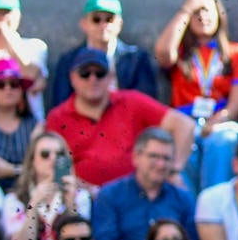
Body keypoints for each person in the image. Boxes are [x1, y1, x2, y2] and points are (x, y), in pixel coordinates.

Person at [46, 48, 193, 189]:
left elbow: (184, 125)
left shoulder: (131, 101)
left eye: (100, 73)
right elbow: (56, 170)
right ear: (72, 78)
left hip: (137, 194)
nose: (93, 79)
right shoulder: (58, 118)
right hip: (83, 196)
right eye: (85, 74)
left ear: (111, 77)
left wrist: (173, 170)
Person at [153, 0, 238, 192]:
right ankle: (187, 207)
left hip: (219, 120)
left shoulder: (236, 52)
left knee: (223, 140)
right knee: (182, 140)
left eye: (207, 10)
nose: (202, 16)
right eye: (196, 12)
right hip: (184, 120)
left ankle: (214, 204)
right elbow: (163, 53)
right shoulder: (180, 52)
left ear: (219, 16)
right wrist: (186, 10)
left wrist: (217, 120)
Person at [90, 129, 198, 240]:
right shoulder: (110, 195)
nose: (160, 164)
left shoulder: (183, 198)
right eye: (154, 156)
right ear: (136, 157)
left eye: (166, 158)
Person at [45, 0, 161, 111]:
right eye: (96, 19)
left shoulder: (137, 59)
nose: (103, 25)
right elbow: (61, 106)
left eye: (109, 19)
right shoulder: (69, 61)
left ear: (119, 24)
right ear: (84, 24)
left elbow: (147, 105)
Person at [1, 131, 90, 240]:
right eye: (45, 154)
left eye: (59, 154)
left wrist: (71, 205)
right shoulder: (14, 200)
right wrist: (33, 206)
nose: (53, 159)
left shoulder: (80, 197)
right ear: (32, 161)